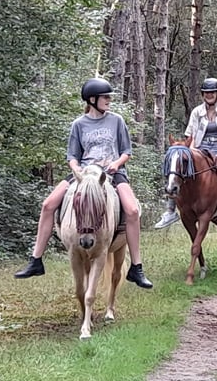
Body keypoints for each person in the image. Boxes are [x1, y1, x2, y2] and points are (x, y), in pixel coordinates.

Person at [15, 77, 153, 288]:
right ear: (92, 99)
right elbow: (72, 155)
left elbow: (127, 151)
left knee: (133, 210)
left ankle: (136, 267)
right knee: (48, 205)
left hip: (111, 174)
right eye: (105, 97)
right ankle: (36, 260)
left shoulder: (116, 120)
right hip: (84, 174)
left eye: (109, 97)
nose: (108, 100)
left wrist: (117, 164)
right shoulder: (78, 124)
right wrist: (76, 170)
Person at [153, 77, 217, 236]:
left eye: (212, 92)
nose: (209, 95)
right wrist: (192, 151)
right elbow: (192, 135)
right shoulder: (197, 112)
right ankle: (170, 211)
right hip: (200, 149)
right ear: (203, 94)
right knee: (176, 171)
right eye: (206, 93)